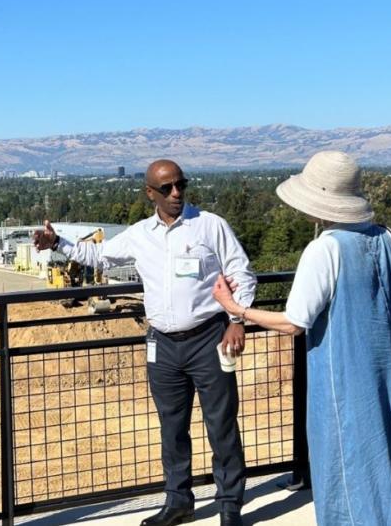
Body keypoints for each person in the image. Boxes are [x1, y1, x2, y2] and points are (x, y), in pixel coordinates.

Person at [33, 159, 256, 526]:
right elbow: (98, 255)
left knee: (221, 425)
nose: (176, 193)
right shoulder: (140, 234)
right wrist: (57, 242)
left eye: (181, 185)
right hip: (163, 346)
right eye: (167, 188)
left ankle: (230, 507)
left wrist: (236, 319)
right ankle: (178, 501)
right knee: (171, 428)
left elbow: (242, 274)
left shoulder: (210, 226)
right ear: (150, 192)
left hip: (208, 340)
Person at [212, 151, 391, 525]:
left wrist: (236, 308)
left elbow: (295, 322)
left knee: (349, 467)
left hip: (347, 379)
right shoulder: (390, 238)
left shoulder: (325, 248)